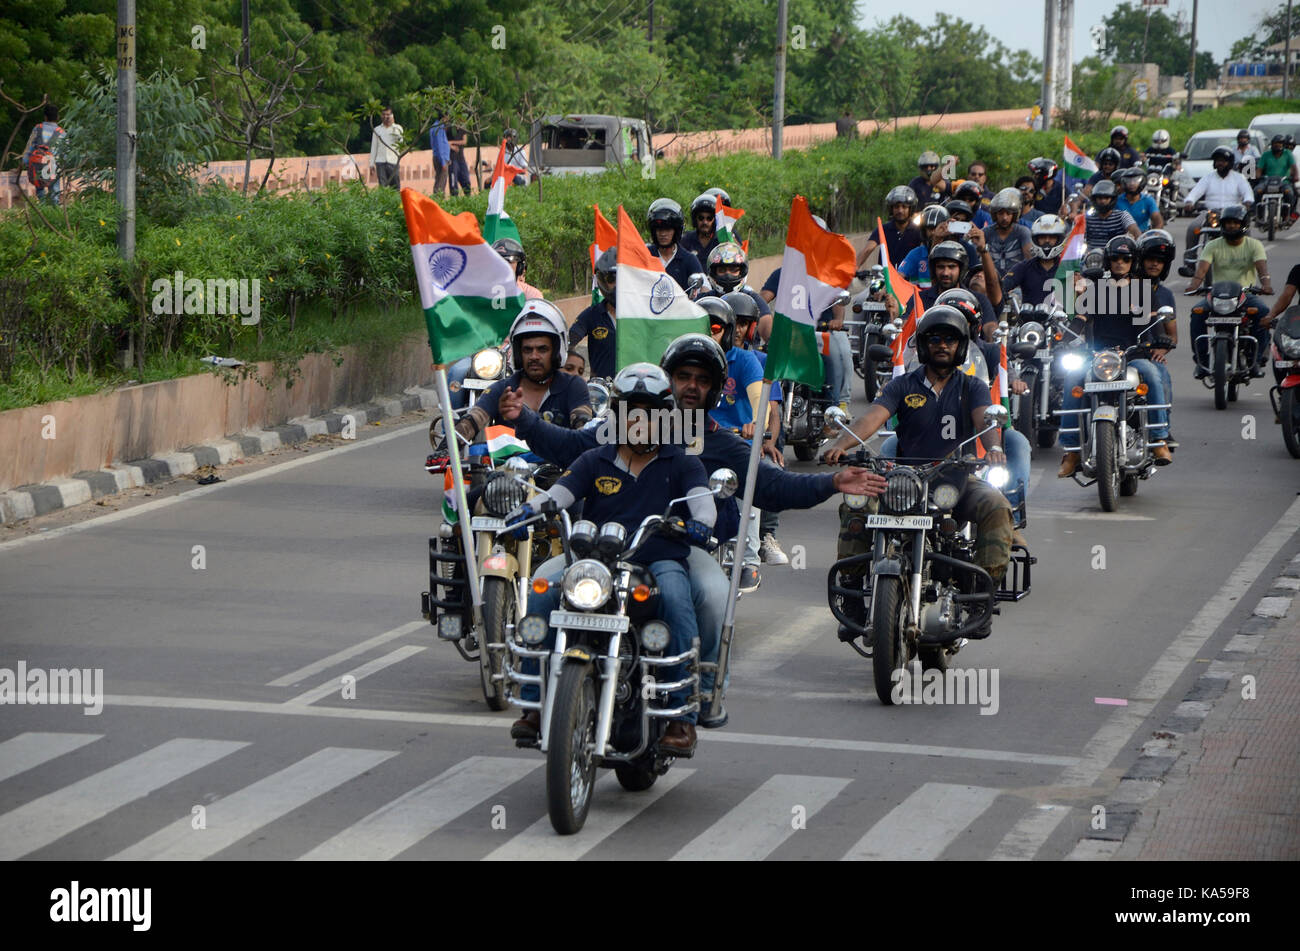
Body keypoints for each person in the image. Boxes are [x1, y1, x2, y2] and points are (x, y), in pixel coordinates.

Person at [503, 333, 887, 728]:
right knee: (543, 585)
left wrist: (831, 482)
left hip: (680, 548)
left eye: (702, 379)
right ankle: (535, 697)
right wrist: (527, 422)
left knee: (711, 595)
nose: (692, 386)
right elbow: (569, 452)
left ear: (717, 390)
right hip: (602, 550)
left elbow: (774, 487)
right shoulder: (607, 438)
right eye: (683, 376)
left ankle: (699, 691)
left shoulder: (714, 444)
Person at [505, 363, 714, 754]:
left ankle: (680, 719)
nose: (639, 420)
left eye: (649, 411)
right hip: (596, 564)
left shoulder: (683, 462)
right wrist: (526, 511)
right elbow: (561, 495)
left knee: (676, 599)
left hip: (658, 560)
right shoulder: (595, 459)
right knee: (542, 591)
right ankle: (534, 701)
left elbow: (704, 506)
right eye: (630, 410)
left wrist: (700, 525)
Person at [823, 305, 1015, 638]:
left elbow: (985, 420)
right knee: (856, 504)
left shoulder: (972, 387)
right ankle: (853, 593)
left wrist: (994, 447)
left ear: (961, 346)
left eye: (951, 340)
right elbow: (872, 416)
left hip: (956, 477)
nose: (943, 345)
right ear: (924, 345)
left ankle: (980, 601)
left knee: (997, 506)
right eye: (936, 338)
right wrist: (843, 442)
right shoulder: (902, 385)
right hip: (905, 480)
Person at [1057, 235, 1175, 476]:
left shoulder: (1143, 290)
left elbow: (1154, 325)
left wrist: (1159, 340)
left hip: (1133, 353)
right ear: (1108, 262)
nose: (1120, 263)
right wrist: (1065, 339)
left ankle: (1160, 439)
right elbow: (1080, 321)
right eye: (1115, 259)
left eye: (1126, 259)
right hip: (1098, 356)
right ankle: (1072, 451)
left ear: (1134, 262)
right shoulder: (1095, 291)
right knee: (1072, 377)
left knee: (1152, 373)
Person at [439, 300, 591, 446]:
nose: (534, 356)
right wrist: (447, 447)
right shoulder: (502, 388)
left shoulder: (573, 386)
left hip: (562, 470)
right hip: (506, 470)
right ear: (518, 354)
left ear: (555, 352)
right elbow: (474, 418)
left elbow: (582, 422)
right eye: (527, 350)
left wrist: (582, 429)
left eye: (542, 349)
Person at [725, 292, 791, 569]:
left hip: (748, 440)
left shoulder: (762, 362)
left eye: (743, 324)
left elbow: (772, 412)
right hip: (708, 439)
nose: (737, 330)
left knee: (771, 469)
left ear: (752, 327)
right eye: (732, 323)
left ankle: (766, 536)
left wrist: (767, 440)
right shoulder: (705, 356)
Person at [443, 239, 543, 408]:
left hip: (515, 356)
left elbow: (538, 326)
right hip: (481, 355)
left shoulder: (531, 295)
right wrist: (444, 332)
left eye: (507, 262)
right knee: (457, 372)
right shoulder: (476, 292)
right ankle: (451, 431)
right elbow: (461, 317)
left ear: (519, 268)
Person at [1184, 205, 1273, 377]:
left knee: (1263, 313)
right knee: (1196, 313)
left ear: (1243, 224)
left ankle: (1256, 359)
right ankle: (1201, 361)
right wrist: (1193, 285)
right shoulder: (1212, 245)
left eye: (1235, 222)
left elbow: (1262, 269)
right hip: (1216, 294)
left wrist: (1266, 285)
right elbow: (1202, 269)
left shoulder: (1254, 245)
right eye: (1228, 223)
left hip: (1245, 294)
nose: (1231, 226)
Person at [1135, 229, 1181, 449]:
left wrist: (1161, 351)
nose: (1154, 265)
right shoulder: (1121, 288)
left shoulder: (1165, 295)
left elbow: (1172, 335)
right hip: (1121, 352)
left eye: (1159, 261)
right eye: (1150, 259)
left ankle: (1162, 430)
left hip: (1150, 354)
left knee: (1161, 374)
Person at [1179, 146, 1255, 275]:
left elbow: (1248, 193)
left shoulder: (1239, 178)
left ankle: (1247, 262)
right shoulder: (1208, 178)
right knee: (1193, 227)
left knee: (1245, 230)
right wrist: (1189, 202)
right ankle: (1190, 263)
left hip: (1233, 214)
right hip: (1211, 213)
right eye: (1218, 160)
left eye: (1223, 160)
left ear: (1230, 162)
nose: (1220, 163)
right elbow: (1196, 192)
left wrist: (1247, 202)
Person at [568, 248, 617, 379]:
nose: (617, 284)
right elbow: (568, 341)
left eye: (622, 278)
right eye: (612, 279)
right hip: (600, 391)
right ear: (604, 281)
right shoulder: (592, 314)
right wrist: (573, 366)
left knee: (624, 401)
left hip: (630, 390)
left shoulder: (638, 315)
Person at [1001, 215, 1068, 308]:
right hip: (1029, 321)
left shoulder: (1068, 268)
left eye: (1052, 237)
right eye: (1042, 237)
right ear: (1035, 239)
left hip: (1062, 321)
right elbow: (1002, 286)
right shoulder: (1024, 267)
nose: (1047, 241)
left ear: (1059, 239)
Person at [646, 198, 707, 290]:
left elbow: (705, 287)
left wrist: (698, 295)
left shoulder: (689, 259)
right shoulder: (645, 255)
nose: (663, 234)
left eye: (667, 229)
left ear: (677, 231)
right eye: (659, 229)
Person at [857, 185, 921, 268]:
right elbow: (867, 249)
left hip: (910, 279)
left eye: (904, 207)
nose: (900, 210)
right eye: (896, 207)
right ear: (891, 209)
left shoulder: (918, 231)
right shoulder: (883, 229)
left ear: (911, 209)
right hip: (886, 278)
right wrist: (854, 267)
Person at [984, 188, 1035, 279]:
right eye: (1000, 213)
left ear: (1015, 215)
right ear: (994, 215)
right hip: (991, 280)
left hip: (1017, 281)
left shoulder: (1023, 232)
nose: (1004, 218)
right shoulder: (986, 232)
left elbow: (1030, 260)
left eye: (1008, 213)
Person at [897, 204, 952, 288]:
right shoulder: (916, 254)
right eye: (931, 229)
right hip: (920, 300)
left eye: (939, 228)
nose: (935, 232)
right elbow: (898, 277)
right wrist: (887, 289)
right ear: (924, 231)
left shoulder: (954, 253)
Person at [22, 104, 64, 205]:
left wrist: (25, 162)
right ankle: (54, 213)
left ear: (45, 116)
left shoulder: (37, 128)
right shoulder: (62, 133)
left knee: (40, 191)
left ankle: (42, 210)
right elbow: (65, 154)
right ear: (57, 117)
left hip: (37, 165)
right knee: (54, 192)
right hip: (53, 167)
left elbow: (29, 147)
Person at [1085, 180, 1141, 247]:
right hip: (1092, 255)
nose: (1103, 201)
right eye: (1100, 198)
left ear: (1112, 199)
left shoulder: (1122, 216)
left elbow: (1135, 231)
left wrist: (1140, 243)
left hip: (1116, 255)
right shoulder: (1087, 219)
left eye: (1106, 197)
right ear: (1095, 199)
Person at [1255, 135, 1298, 218]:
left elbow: (1294, 167)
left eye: (1280, 143)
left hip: (1284, 182)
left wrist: (1296, 176)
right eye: (1276, 143)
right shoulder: (1266, 155)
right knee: (1257, 191)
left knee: (1290, 193)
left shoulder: (1288, 154)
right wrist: (1258, 175)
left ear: (1283, 145)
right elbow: (1259, 169)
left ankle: (1287, 214)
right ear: (1272, 144)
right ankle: (1258, 214)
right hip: (1267, 181)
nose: (1278, 145)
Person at [1115, 167, 1164, 232]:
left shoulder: (1148, 200)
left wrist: (1154, 234)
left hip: (1143, 236)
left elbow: (1158, 222)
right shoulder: (1117, 200)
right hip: (1120, 237)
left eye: (1135, 180)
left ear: (1142, 181)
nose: (1132, 184)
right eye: (1128, 181)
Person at [680, 193, 721, 269]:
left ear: (715, 220)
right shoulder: (686, 240)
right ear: (695, 219)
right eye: (701, 218)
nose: (705, 222)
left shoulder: (721, 241)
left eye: (709, 218)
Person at [369, 107, 403, 190]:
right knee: (382, 186)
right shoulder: (377, 129)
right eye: (384, 114)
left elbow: (401, 142)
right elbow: (374, 147)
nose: (386, 117)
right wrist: (371, 163)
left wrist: (393, 125)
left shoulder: (398, 128)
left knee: (395, 186)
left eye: (388, 115)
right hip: (380, 161)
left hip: (393, 160)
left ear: (392, 115)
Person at [446, 122, 471, 196]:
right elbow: (445, 142)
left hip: (461, 159)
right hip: (452, 159)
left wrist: (452, 142)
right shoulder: (449, 129)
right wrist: (451, 146)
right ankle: (454, 198)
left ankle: (468, 197)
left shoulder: (462, 129)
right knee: (453, 182)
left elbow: (464, 141)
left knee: (466, 180)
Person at [429, 113, 451, 196]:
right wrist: (443, 161)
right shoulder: (438, 128)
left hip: (440, 157)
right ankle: (439, 201)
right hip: (441, 158)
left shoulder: (434, 126)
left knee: (439, 180)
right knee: (441, 183)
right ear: (444, 117)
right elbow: (440, 145)